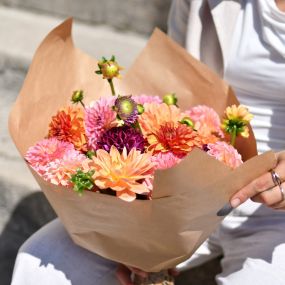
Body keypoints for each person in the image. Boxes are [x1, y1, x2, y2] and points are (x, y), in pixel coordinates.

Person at [11, 0, 285, 284]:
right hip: (189, 191)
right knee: (41, 263)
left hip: (275, 217)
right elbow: (179, 88)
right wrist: (138, 229)